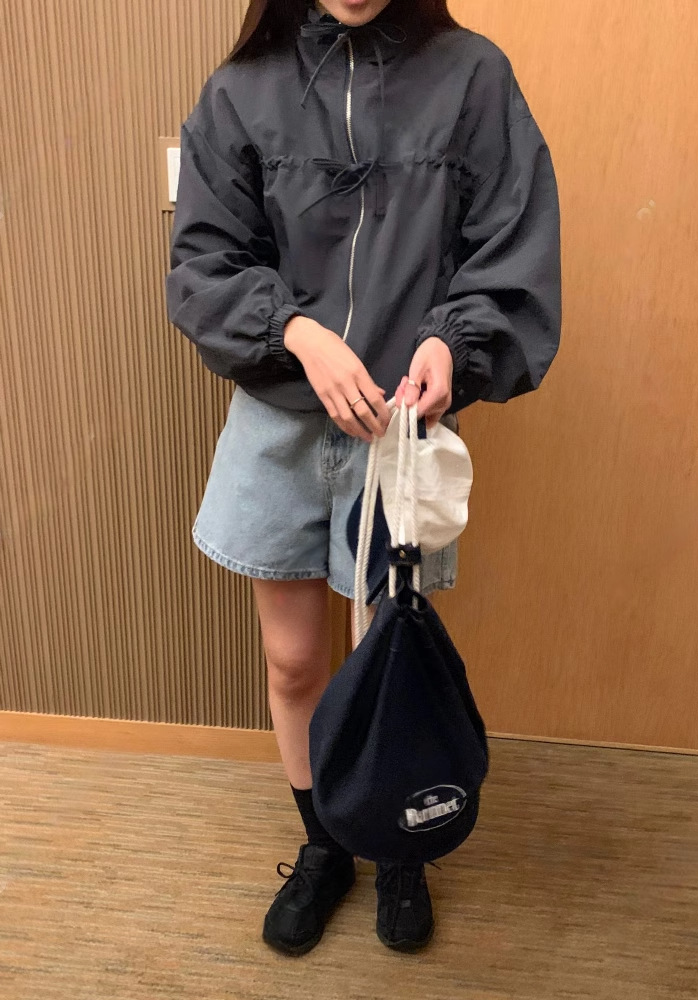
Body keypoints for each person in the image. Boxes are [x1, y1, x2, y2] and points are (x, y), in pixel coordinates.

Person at [166, 0, 561, 957]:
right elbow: (205, 260)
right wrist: (297, 332)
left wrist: (451, 343)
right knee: (293, 662)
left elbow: (510, 248)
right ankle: (326, 843)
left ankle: (396, 848)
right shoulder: (242, 89)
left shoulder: (473, 77)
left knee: (388, 663)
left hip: (401, 434)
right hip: (278, 424)